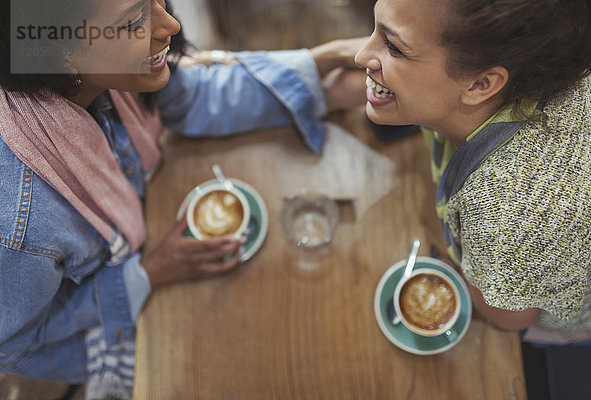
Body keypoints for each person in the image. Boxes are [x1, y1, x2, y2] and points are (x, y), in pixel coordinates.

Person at [0, 0, 366, 398]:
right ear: (61, 50)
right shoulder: (23, 221)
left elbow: (193, 96)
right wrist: (149, 274)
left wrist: (318, 67)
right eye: (132, 21)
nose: (171, 24)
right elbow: (16, 342)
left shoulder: (110, 76)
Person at [355, 0, 591, 397]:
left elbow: (512, 317)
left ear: (481, 84)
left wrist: (466, 270)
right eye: (375, 30)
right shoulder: (522, 63)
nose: (359, 55)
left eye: (393, 47)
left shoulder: (510, 213)